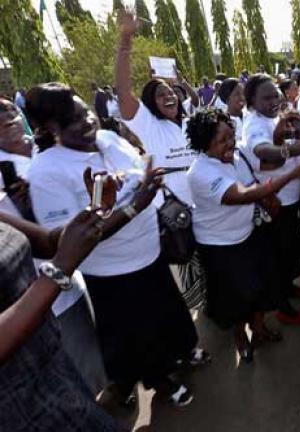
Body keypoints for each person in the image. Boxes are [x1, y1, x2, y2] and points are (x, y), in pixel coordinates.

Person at [26, 83, 203, 408]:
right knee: (141, 333)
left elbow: (138, 167)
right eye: (77, 121)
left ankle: (185, 351)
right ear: (53, 128)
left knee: (169, 313)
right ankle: (162, 381)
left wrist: (148, 176)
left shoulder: (107, 138)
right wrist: (134, 203)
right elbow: (70, 240)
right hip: (114, 274)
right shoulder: (46, 171)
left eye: (88, 113)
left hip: (150, 253)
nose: (90, 122)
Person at [0, 96, 108, 396]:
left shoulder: (46, 151)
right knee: (75, 376)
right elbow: (47, 244)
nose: (8, 117)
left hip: (73, 277)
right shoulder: (6, 172)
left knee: (93, 356)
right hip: (34, 293)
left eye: (10, 109)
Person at [187, 109, 300, 361]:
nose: (230, 144)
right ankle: (240, 337)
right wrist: (293, 175)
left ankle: (259, 327)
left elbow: (253, 182)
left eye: (231, 136)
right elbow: (241, 195)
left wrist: (267, 197)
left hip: (249, 233)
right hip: (220, 245)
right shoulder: (200, 172)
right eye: (221, 141)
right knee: (235, 297)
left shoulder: (237, 155)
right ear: (204, 144)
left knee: (263, 284)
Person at [0, 209, 118, 431]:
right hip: (16, 406)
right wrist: (59, 268)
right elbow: (60, 259)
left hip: (54, 366)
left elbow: (47, 242)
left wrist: (93, 212)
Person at [240, 73, 300, 325]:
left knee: (293, 252)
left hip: (294, 198)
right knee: (280, 257)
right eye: (265, 98)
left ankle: (288, 287)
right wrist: (297, 148)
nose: (273, 101)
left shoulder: (273, 116)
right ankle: (283, 308)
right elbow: (262, 151)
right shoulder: (254, 124)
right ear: (252, 102)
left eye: (275, 95)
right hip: (278, 205)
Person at [115, 11, 195, 207]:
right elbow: (124, 93)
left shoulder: (190, 123)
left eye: (171, 92)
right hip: (171, 211)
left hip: (202, 207)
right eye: (161, 95)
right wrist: (126, 41)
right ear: (151, 103)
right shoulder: (149, 125)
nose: (169, 97)